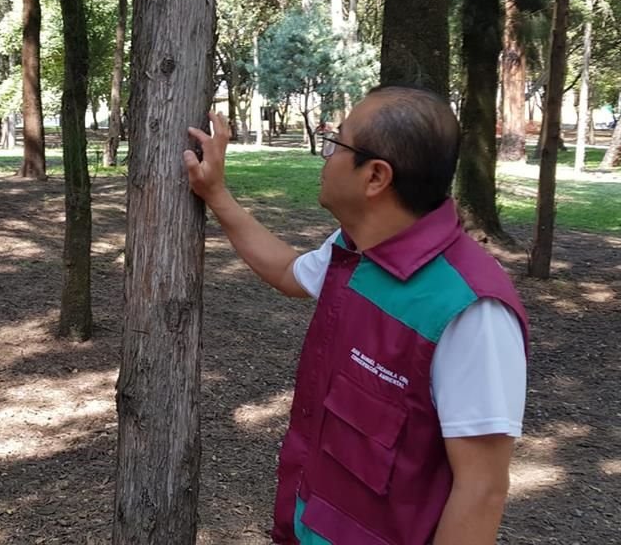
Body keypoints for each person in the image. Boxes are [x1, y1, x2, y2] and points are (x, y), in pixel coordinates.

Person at [183, 86, 529, 545]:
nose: (325, 156)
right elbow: (289, 271)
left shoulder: (471, 311)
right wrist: (217, 194)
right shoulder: (354, 250)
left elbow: (481, 489)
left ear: (375, 177)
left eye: (337, 144)